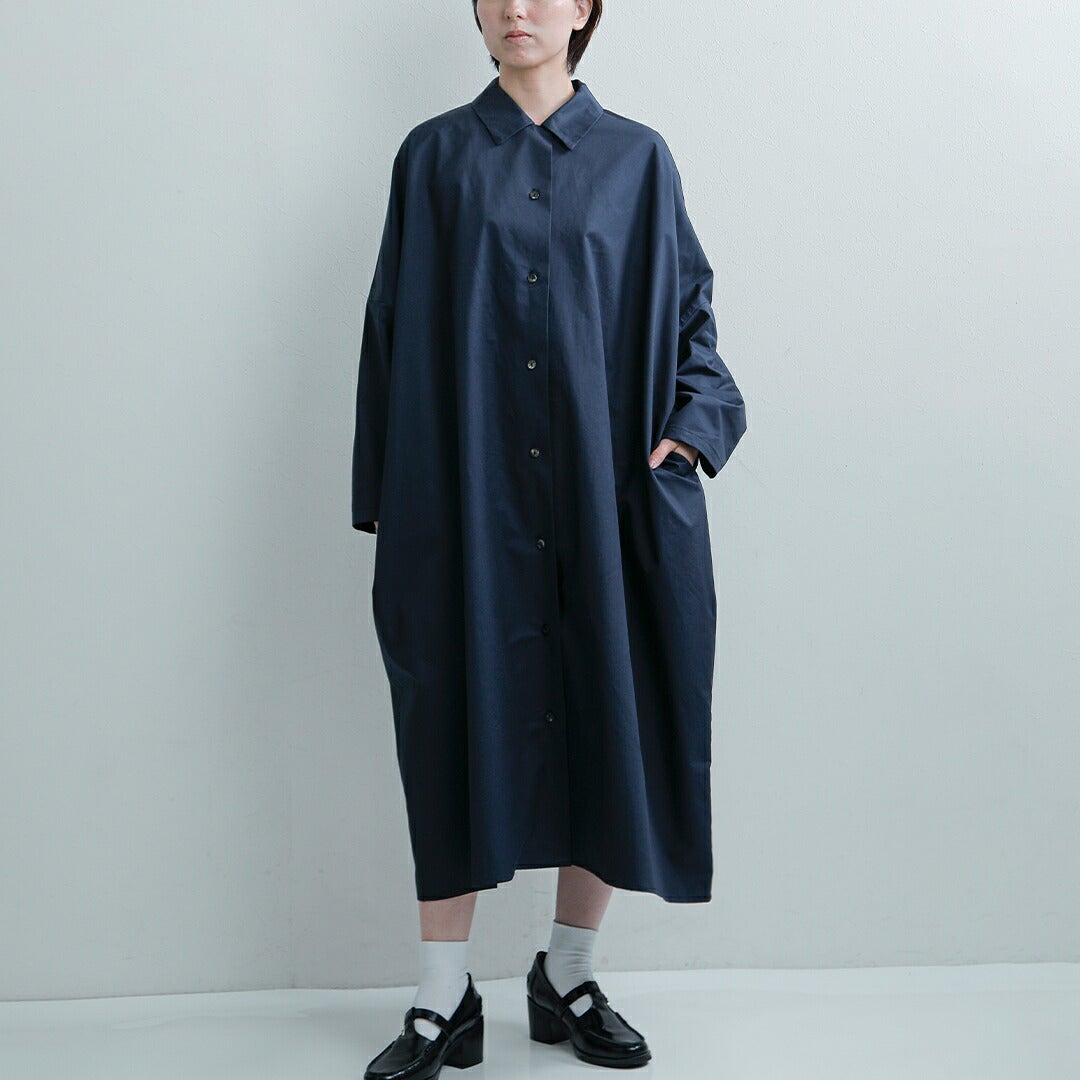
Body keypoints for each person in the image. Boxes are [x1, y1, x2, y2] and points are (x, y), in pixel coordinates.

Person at [353, 1, 747, 1076]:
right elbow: (389, 326)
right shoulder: (434, 157)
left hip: (609, 499)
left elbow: (694, 321)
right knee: (450, 718)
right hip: (466, 501)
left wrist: (691, 435)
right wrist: (389, 496)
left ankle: (567, 972)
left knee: (612, 716)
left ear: (584, 10)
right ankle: (443, 997)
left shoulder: (638, 161)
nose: (517, 7)